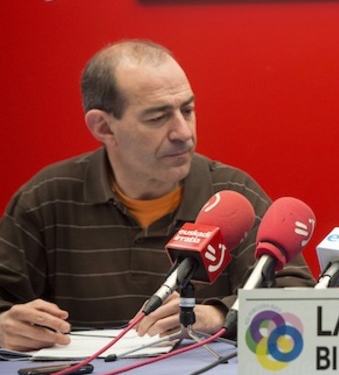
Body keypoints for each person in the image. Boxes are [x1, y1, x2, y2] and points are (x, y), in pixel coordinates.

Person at [0, 39, 316, 352]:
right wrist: (4, 328)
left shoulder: (231, 197)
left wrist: (214, 314)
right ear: (103, 127)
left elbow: (301, 297)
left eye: (188, 109)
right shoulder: (46, 199)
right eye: (157, 118)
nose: (184, 133)